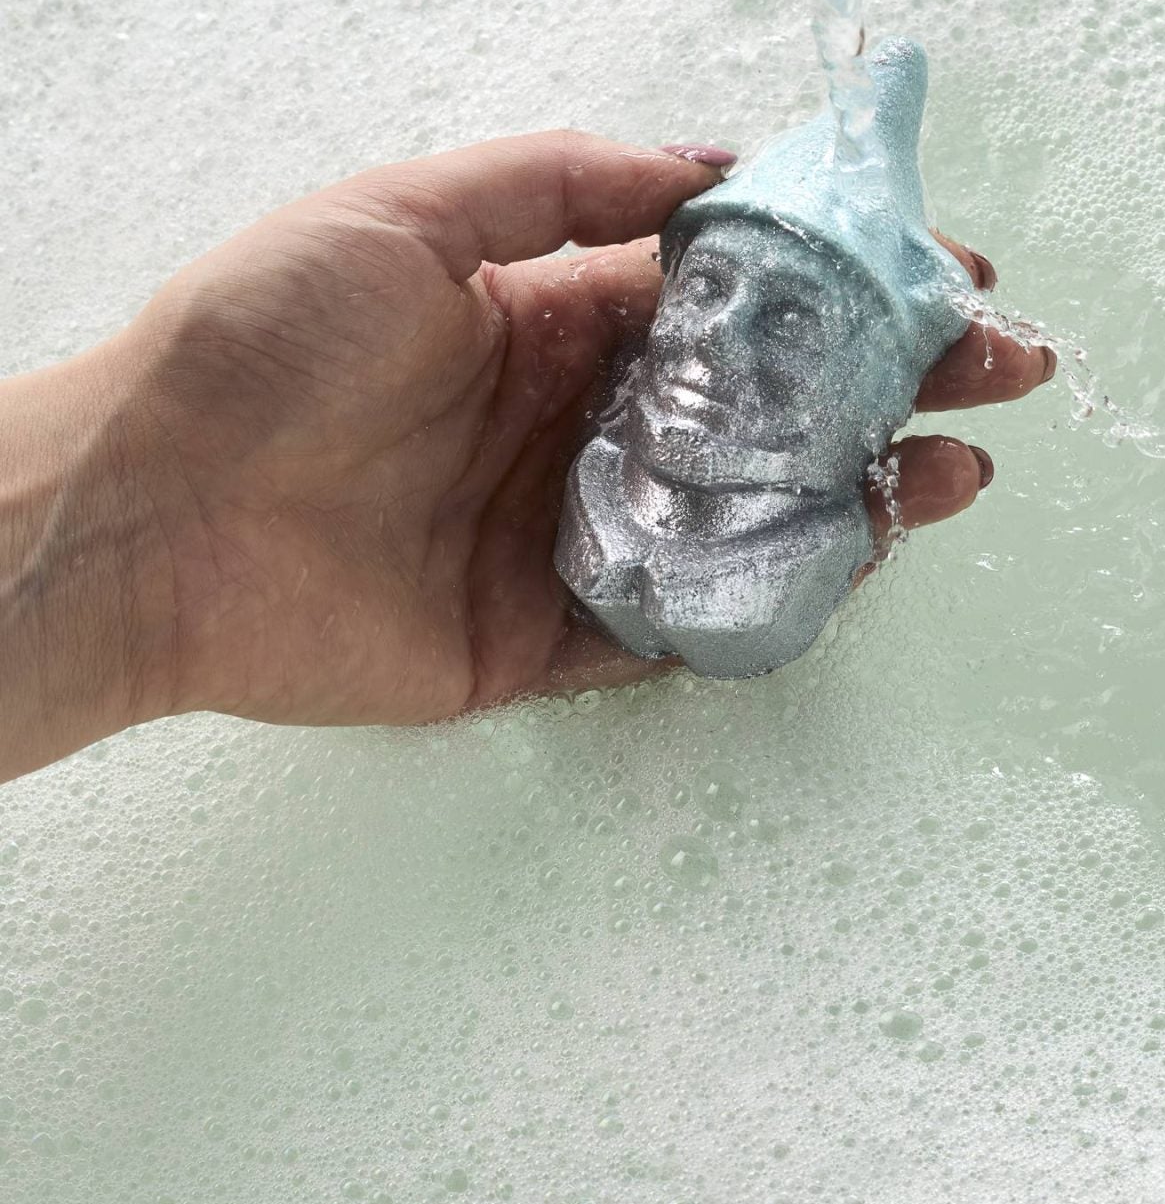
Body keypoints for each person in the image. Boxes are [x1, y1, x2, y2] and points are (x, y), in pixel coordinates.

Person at [0, 125, 1053, 787]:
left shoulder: (789, 558)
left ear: (875, 395)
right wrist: (165, 475)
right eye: (705, 288)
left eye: (790, 323)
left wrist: (144, 545)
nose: (718, 341)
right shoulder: (595, 485)